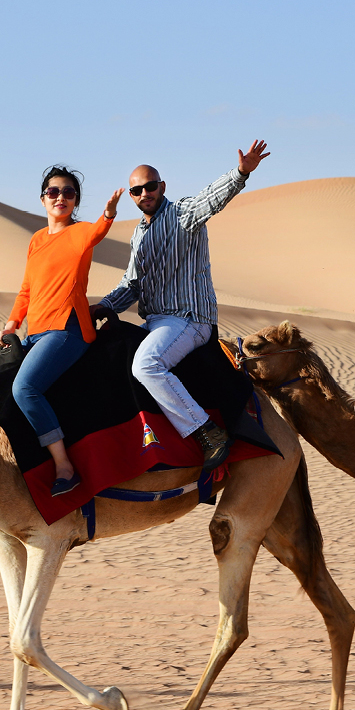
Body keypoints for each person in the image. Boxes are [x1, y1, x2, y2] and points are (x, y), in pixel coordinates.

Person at [92, 140, 270, 469]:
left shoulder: (182, 214)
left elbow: (210, 199)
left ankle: (205, 431)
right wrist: (102, 307)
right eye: (136, 190)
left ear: (161, 187)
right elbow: (131, 284)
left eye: (150, 186)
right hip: (156, 322)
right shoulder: (139, 235)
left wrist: (241, 172)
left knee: (145, 365)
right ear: (131, 196)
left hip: (188, 321)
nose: (144, 193)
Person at [0, 167, 123, 496]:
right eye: (54, 192)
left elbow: (97, 231)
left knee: (25, 388)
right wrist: (11, 324)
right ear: (43, 199)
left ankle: (64, 466)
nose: (61, 197)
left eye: (68, 193)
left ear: (75, 200)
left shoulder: (80, 233)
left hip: (67, 330)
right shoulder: (37, 240)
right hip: (33, 333)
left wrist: (108, 215)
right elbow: (26, 289)